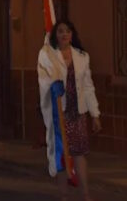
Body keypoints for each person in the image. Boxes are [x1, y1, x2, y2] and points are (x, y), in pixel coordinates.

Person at [38, 20, 101, 201]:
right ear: (55, 35)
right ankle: (63, 195)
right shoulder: (48, 55)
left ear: (72, 34)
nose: (64, 34)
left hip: (77, 112)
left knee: (79, 154)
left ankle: (85, 194)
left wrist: (95, 114)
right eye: (60, 31)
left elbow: (88, 86)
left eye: (67, 31)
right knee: (61, 155)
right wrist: (53, 85)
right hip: (59, 113)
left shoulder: (82, 56)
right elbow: (43, 78)